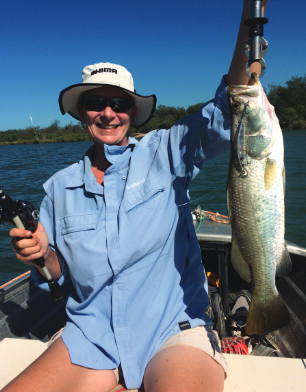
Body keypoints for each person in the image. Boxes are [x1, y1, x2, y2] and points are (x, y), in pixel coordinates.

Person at [5, 1, 267, 391]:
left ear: (132, 111)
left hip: (173, 330)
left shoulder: (165, 151)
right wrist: (43, 255)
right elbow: (59, 279)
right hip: (91, 333)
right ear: (81, 111)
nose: (108, 113)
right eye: (95, 103)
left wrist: (250, 19)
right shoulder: (58, 189)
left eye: (119, 103)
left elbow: (230, 108)